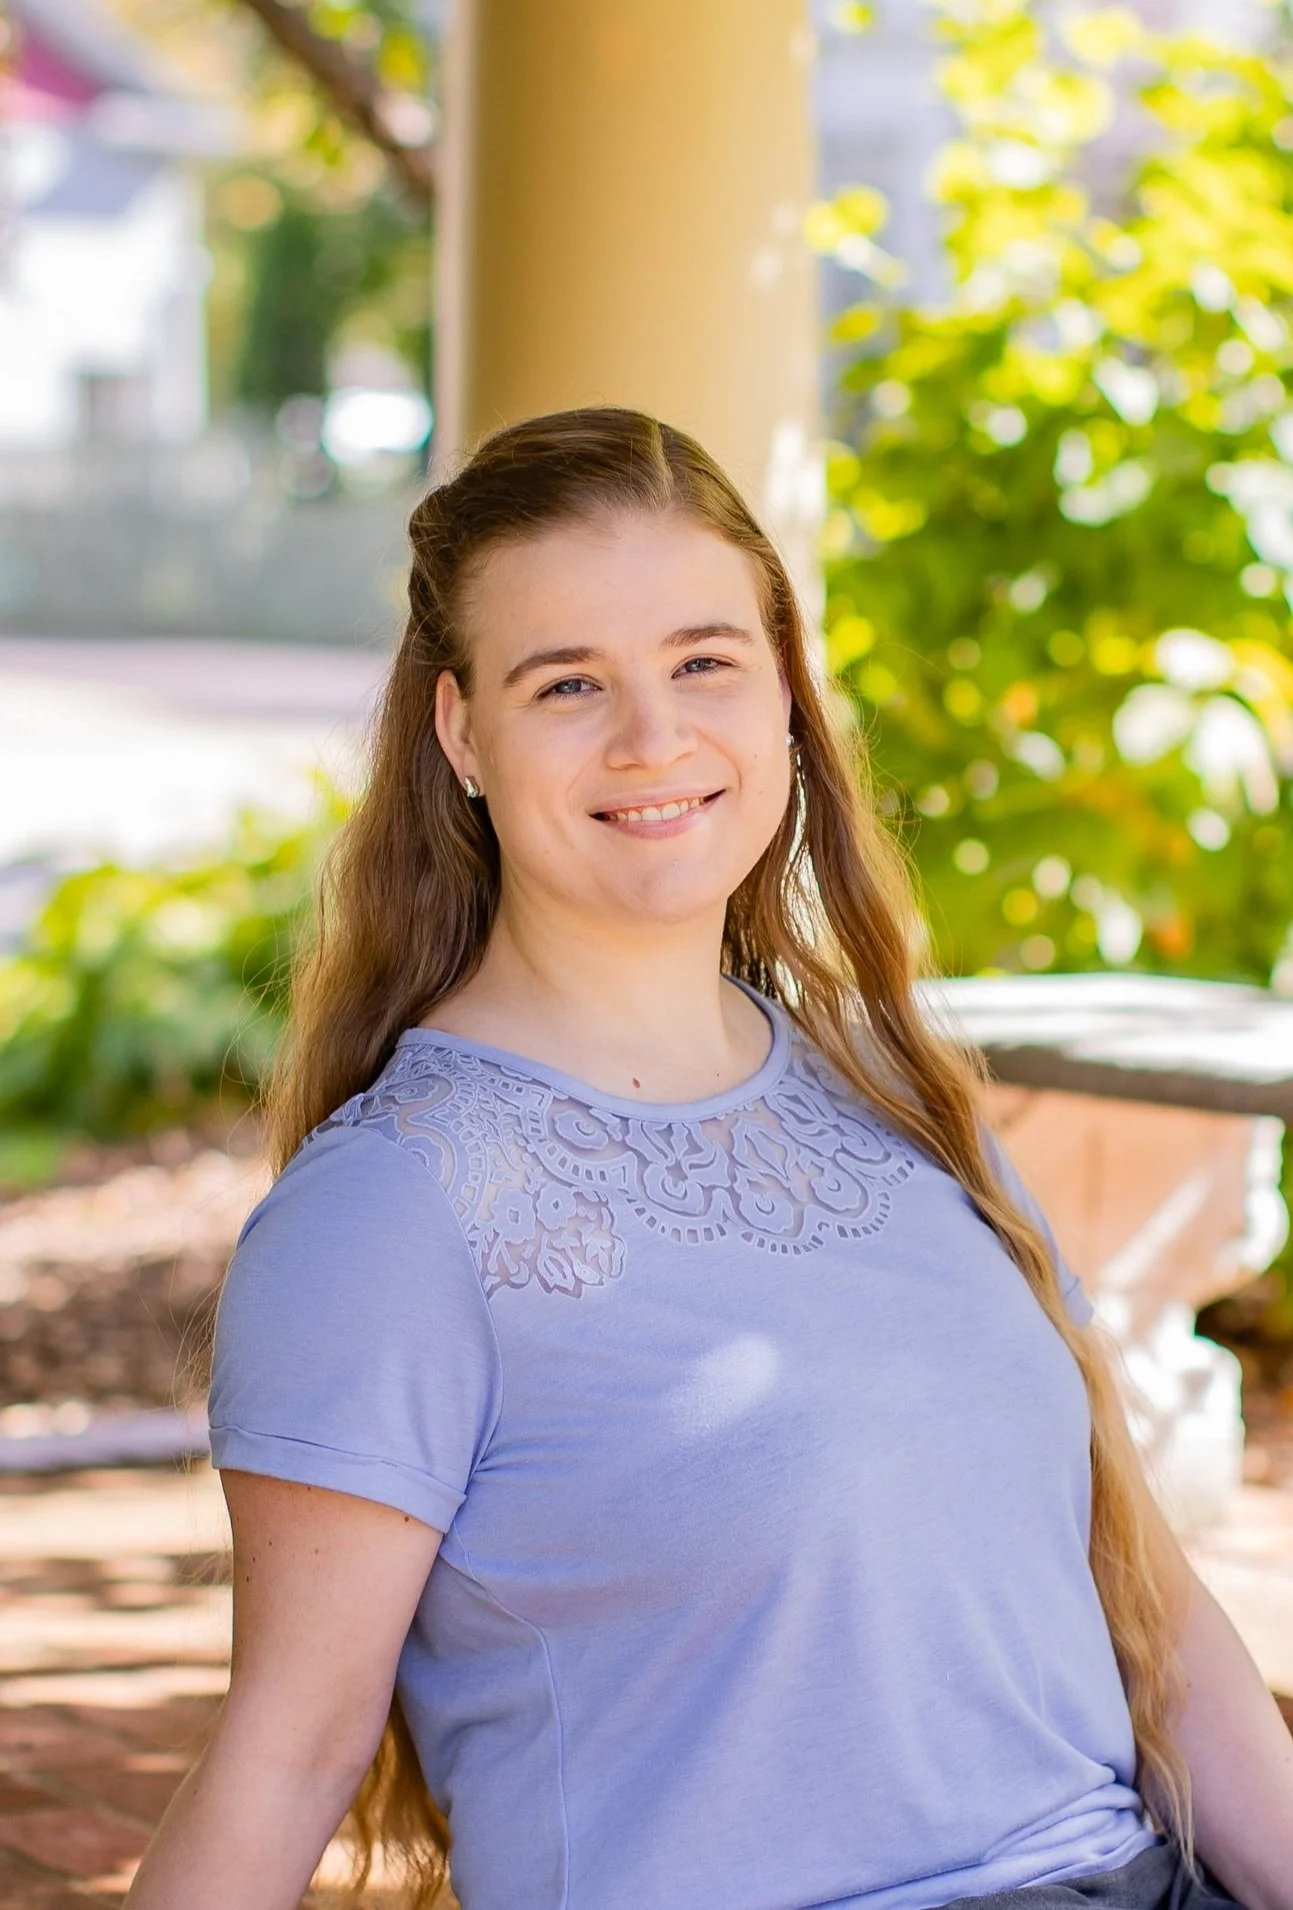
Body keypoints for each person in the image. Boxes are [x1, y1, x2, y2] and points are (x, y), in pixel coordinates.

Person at [126, 408, 1293, 1910]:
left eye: (703, 662)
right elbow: (286, 1755)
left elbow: (1152, 1610)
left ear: (786, 698)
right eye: (568, 684)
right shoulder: (390, 1215)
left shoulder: (896, 1095)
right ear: (462, 733)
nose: (653, 737)